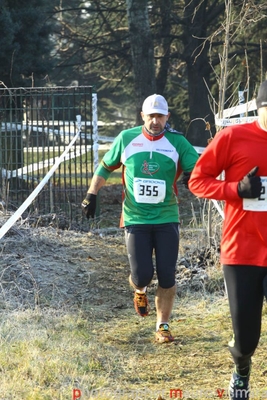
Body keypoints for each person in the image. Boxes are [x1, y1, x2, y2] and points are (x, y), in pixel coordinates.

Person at [82, 94, 199, 343]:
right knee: (142, 274)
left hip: (167, 216)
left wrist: (194, 176)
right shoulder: (127, 138)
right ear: (142, 116)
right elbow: (105, 167)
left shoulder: (178, 142)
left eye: (160, 116)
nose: (155, 121)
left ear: (168, 117)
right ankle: (140, 289)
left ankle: (163, 326)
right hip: (136, 218)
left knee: (167, 275)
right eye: (151, 116)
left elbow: (197, 168)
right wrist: (91, 194)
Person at [188, 80, 267, 399]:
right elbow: (197, 181)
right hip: (242, 252)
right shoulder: (233, 137)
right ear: (260, 108)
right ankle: (242, 369)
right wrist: (236, 190)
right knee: (246, 338)